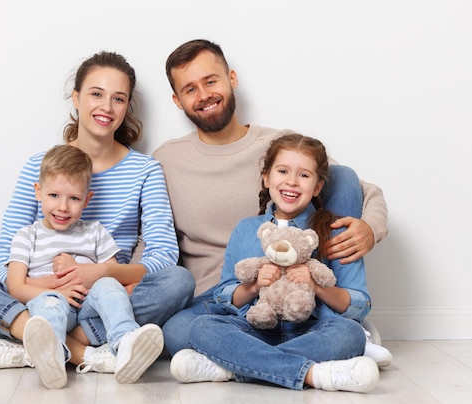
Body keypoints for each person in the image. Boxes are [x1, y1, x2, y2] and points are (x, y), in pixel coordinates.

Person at [0, 51, 195, 379]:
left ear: (127, 107)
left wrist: (103, 273)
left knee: (179, 281)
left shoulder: (145, 170)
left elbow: (165, 255)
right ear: (76, 97)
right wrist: (41, 285)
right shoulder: (41, 166)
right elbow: (3, 254)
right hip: (37, 297)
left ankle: (38, 346)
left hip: (103, 299)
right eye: (96, 94)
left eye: (118, 98)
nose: (106, 107)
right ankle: (79, 351)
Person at [153, 39, 392, 367]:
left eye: (211, 81)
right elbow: (149, 232)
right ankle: (308, 366)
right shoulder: (166, 159)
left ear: (231, 79)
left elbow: (366, 191)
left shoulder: (280, 147)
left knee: (344, 176)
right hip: (224, 299)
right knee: (178, 331)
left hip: (302, 294)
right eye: (190, 89)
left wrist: (372, 227)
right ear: (177, 100)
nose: (204, 94)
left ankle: (232, 361)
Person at [170, 133, 379, 392]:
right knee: (202, 327)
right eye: (283, 171)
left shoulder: (335, 231)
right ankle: (314, 374)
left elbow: (358, 304)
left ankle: (233, 368)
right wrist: (255, 286)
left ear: (317, 187)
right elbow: (224, 296)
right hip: (255, 327)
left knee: (350, 335)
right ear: (267, 177)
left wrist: (317, 286)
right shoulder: (246, 229)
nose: (292, 182)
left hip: (312, 330)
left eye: (304, 175)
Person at [6, 144, 163, 389]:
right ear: (38, 192)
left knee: (110, 285)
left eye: (74, 198)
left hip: (89, 306)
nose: (63, 207)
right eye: (54, 195)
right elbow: (15, 286)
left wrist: (79, 269)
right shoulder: (26, 236)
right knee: (52, 304)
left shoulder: (95, 232)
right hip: (52, 304)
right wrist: (55, 290)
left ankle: (125, 343)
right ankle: (53, 355)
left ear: (87, 199)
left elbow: (111, 275)